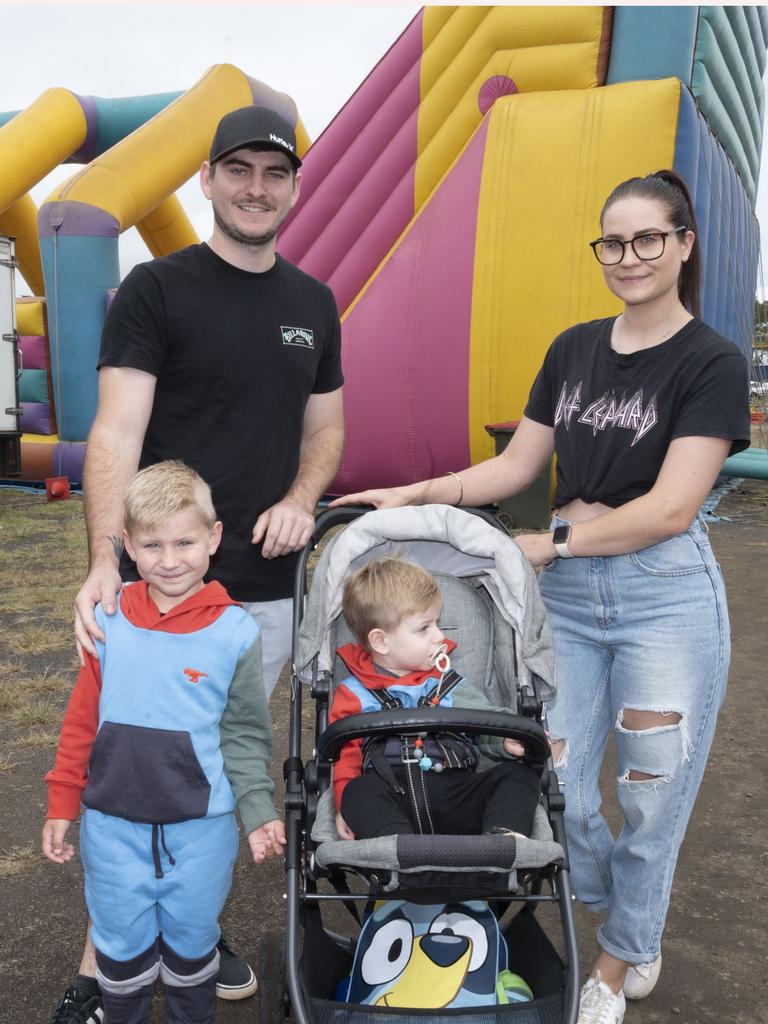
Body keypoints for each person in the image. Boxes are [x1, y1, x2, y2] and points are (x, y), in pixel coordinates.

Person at [329, 171, 750, 1024]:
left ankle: (619, 954)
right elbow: (515, 468)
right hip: (565, 596)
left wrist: (545, 542)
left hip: (662, 593)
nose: (627, 258)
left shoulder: (711, 360)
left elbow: (670, 509)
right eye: (613, 242)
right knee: (554, 779)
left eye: (647, 240)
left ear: (683, 243)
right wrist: (412, 497)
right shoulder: (574, 349)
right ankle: (618, 899)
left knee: (653, 790)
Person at [55, 106, 344, 1022]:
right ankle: (105, 972)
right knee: (123, 766)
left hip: (260, 595)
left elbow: (327, 428)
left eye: (275, 173)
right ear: (208, 180)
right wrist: (107, 559)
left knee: (219, 767)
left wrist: (301, 499)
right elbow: (116, 430)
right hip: (157, 584)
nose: (257, 188)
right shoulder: (157, 290)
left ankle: (191, 933)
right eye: (239, 170)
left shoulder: (313, 304)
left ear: (294, 187)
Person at [43, 461, 286, 1024]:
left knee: (192, 952)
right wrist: (62, 801)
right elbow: (82, 721)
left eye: (185, 541)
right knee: (120, 955)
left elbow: (247, 733)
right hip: (111, 831)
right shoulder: (108, 620)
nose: (170, 559)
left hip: (200, 835)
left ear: (214, 537)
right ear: (127, 545)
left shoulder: (235, 633)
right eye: (152, 544)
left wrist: (257, 809)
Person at [330, 557, 540, 842]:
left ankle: (502, 843)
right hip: (394, 801)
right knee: (356, 791)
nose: (439, 635)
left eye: (437, 624)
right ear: (381, 641)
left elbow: (487, 721)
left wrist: (504, 741)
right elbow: (345, 759)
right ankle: (398, 853)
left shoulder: (449, 684)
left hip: (458, 795)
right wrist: (345, 806)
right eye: (424, 628)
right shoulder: (353, 695)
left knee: (518, 776)